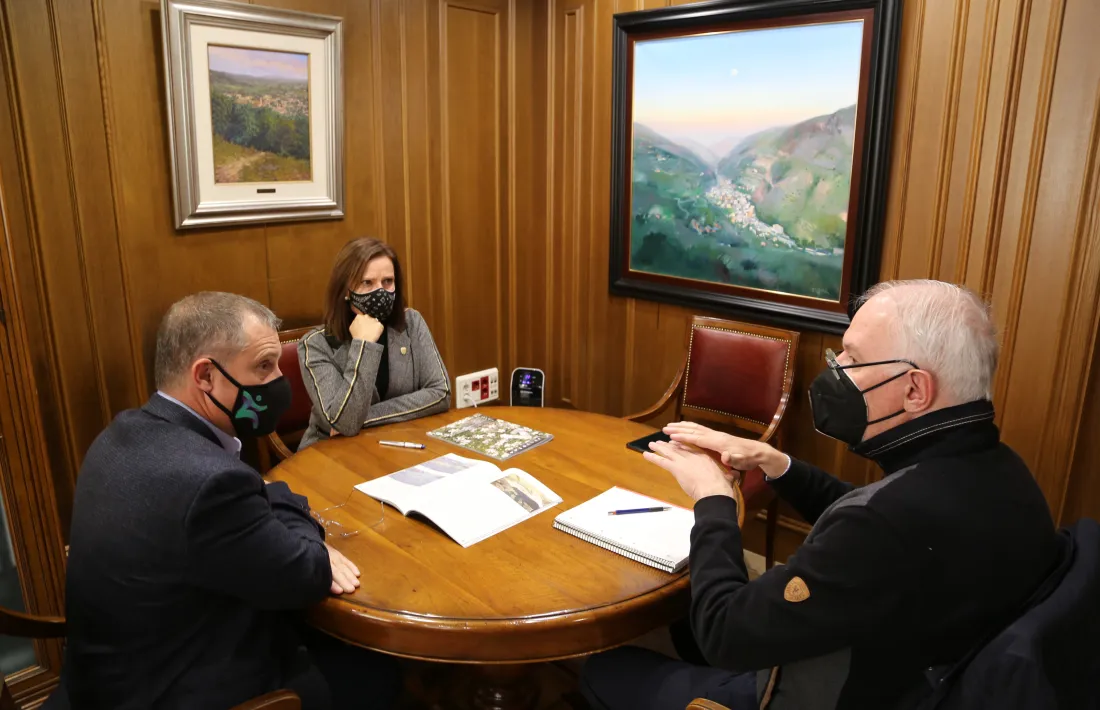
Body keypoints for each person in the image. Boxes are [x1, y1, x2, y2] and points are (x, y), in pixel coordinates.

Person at [580, 279, 1062, 710]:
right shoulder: (1000, 472)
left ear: (915, 390)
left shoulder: (886, 524)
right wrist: (775, 464)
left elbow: (724, 634)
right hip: (913, 670)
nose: (838, 370)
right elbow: (873, 524)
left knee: (603, 667)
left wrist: (713, 499)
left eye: (852, 358)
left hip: (824, 690)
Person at [56, 292, 398, 710]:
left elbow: (244, 500)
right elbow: (307, 571)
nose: (278, 381)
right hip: (177, 688)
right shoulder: (212, 484)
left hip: (102, 679)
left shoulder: (122, 433)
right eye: (263, 366)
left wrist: (267, 498)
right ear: (205, 376)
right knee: (383, 671)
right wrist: (295, 510)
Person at [298, 237, 449, 450]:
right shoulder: (316, 345)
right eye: (367, 282)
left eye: (388, 281)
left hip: (397, 443)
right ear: (345, 291)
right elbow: (345, 424)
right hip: (331, 451)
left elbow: (440, 393)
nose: (380, 292)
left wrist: (366, 419)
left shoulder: (411, 322)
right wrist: (363, 345)